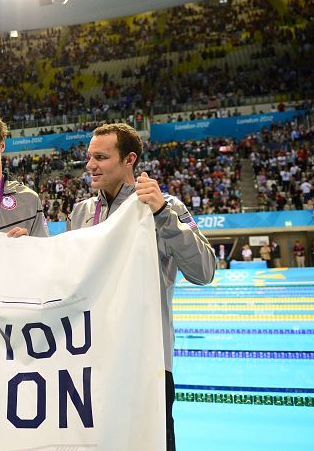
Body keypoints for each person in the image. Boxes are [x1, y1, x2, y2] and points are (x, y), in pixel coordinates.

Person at [66, 123, 215, 451]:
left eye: (101, 157)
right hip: (89, 364)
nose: (90, 165)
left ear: (129, 159)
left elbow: (205, 270)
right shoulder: (81, 213)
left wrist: (162, 213)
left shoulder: (170, 207)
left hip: (148, 368)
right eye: (89, 157)